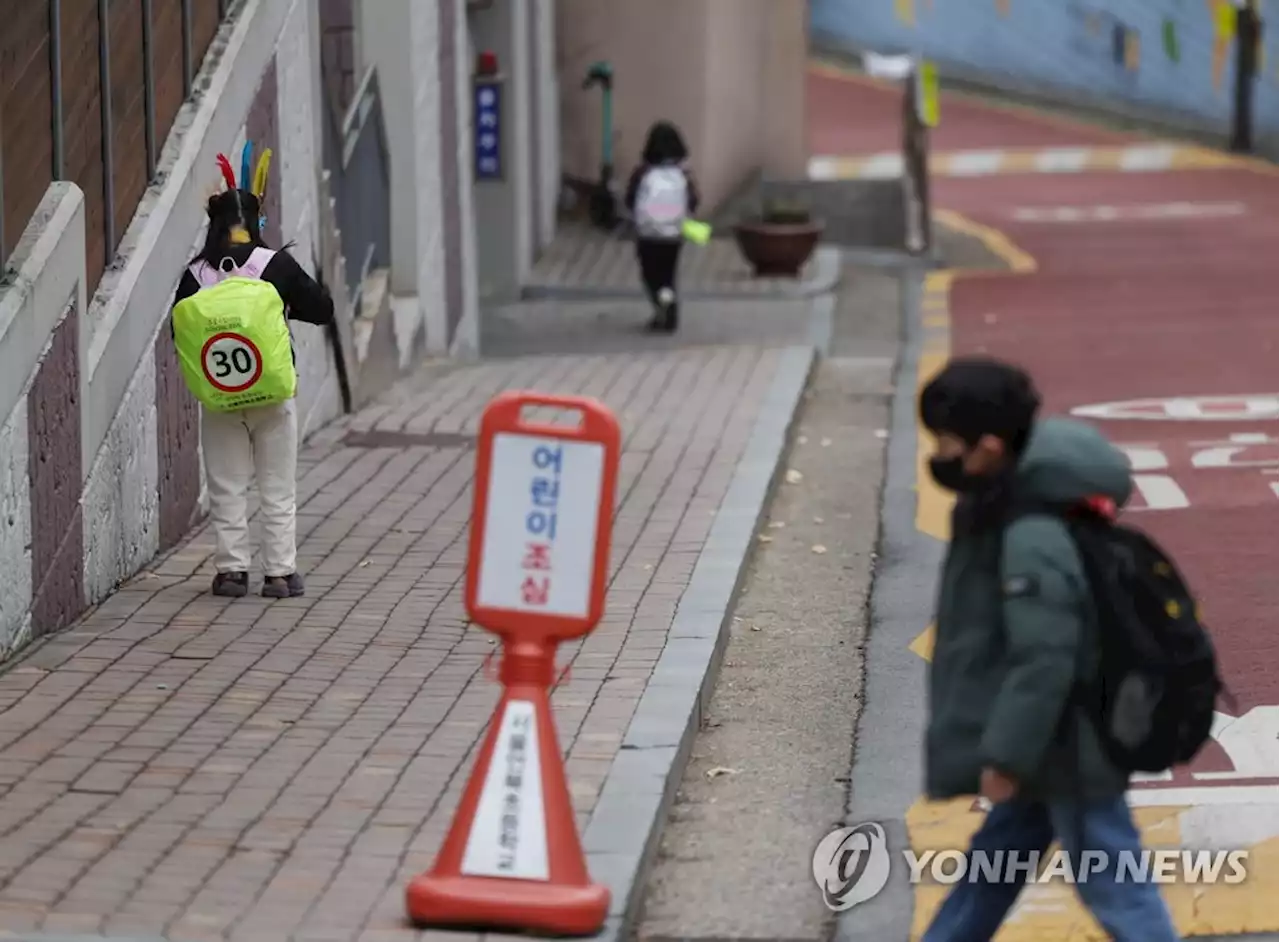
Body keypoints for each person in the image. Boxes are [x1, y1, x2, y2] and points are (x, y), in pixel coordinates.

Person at [917, 356, 1179, 942]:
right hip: (1051, 741)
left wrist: (1007, 756)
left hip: (1068, 746)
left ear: (988, 447)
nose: (940, 457)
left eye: (948, 443)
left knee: (1118, 889)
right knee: (990, 872)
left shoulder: (1028, 530)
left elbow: (1046, 654)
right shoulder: (1002, 504)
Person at [172, 184, 333, 599]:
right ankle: (279, 575)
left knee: (227, 485)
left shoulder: (197, 273)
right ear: (255, 221)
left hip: (221, 396)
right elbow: (322, 309)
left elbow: (177, 331)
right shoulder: (274, 264)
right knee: (277, 486)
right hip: (273, 393)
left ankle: (231, 572)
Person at [624, 120, 700, 333]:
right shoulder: (683, 173)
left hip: (648, 234)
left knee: (651, 276)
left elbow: (630, 199)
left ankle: (662, 309)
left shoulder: (643, 173)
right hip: (674, 234)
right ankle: (670, 309)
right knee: (668, 275)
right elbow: (694, 201)